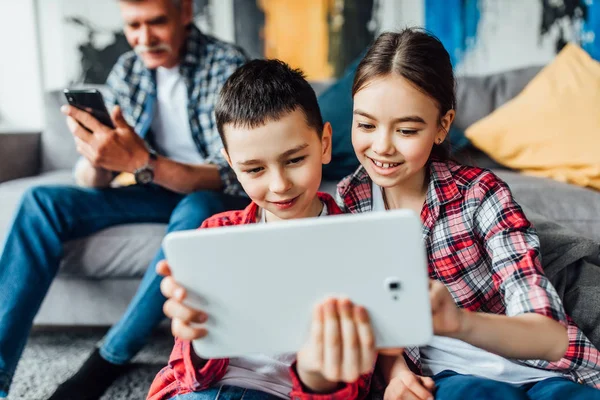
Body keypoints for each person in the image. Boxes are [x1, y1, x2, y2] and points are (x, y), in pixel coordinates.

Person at [0, 1, 250, 399]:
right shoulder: (129, 70)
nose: (144, 38)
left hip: (208, 191)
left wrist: (143, 162)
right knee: (40, 202)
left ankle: (107, 361)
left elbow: (235, 173)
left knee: (198, 208)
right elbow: (98, 179)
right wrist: (98, 158)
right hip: (151, 188)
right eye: (133, 25)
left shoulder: (226, 64)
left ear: (185, 12)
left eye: (156, 23)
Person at [334, 28, 600, 400]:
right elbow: (368, 322)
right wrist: (395, 374)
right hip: (444, 379)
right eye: (365, 125)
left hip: (538, 370)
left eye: (407, 130)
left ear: (443, 126)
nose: (381, 147)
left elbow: (550, 336)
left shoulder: (479, 195)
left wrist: (458, 322)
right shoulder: (348, 205)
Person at [146, 59, 391, 400]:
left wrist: (319, 376)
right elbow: (188, 373)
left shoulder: (357, 243)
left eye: (294, 160)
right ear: (231, 164)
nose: (279, 186)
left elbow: (358, 382)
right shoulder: (214, 236)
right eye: (254, 169)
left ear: (324, 144)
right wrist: (197, 338)